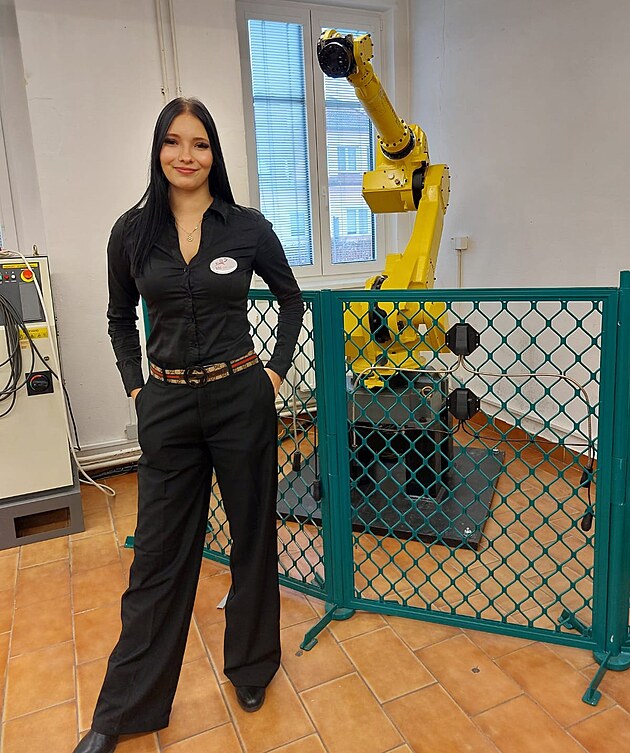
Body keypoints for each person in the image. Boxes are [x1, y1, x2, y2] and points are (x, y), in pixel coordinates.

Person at [73, 97, 304, 753]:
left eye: (199, 143)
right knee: (157, 556)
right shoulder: (131, 232)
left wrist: (274, 373)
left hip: (240, 399)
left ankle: (252, 667)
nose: (186, 155)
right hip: (168, 405)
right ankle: (124, 709)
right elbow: (119, 317)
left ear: (214, 154)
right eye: (174, 141)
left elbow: (290, 299)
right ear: (158, 150)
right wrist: (137, 389)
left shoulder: (247, 227)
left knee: (253, 537)